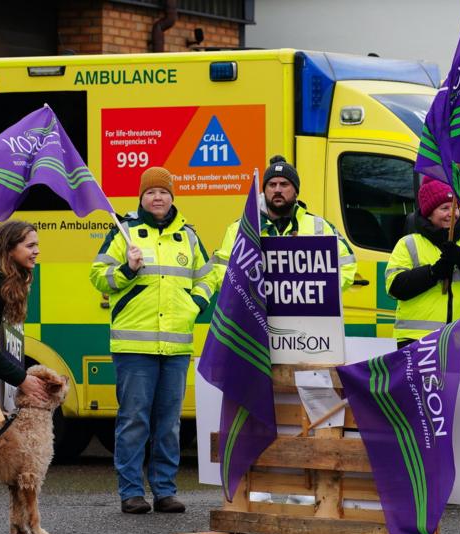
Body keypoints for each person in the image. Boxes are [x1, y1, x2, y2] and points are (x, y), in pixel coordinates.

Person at [89, 166, 214, 515]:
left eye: (163, 192)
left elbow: (207, 277)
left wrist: (196, 304)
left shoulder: (188, 236)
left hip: (176, 346)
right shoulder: (125, 232)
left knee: (169, 424)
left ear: (172, 197)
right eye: (151, 192)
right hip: (134, 347)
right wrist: (126, 269)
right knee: (133, 421)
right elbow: (98, 277)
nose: (157, 198)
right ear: (141, 197)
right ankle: (131, 492)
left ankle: (164, 491)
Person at [385, 177, 460, 434]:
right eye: (444, 208)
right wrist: (434, 272)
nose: (452, 214)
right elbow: (395, 286)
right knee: (423, 420)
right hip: (419, 343)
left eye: (455, 207)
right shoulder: (409, 243)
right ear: (428, 211)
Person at [211, 155, 357, 291]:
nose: (277, 190)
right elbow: (221, 269)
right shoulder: (241, 228)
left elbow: (347, 265)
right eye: (272, 185)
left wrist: (319, 290)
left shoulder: (320, 226)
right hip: (257, 314)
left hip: (304, 314)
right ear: (264, 190)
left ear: (296, 191)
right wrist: (251, 291)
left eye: (284, 184)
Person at [0, 220, 48, 409]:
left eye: (37, 245)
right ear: (9, 249)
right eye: (30, 246)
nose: (37, 251)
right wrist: (21, 379)